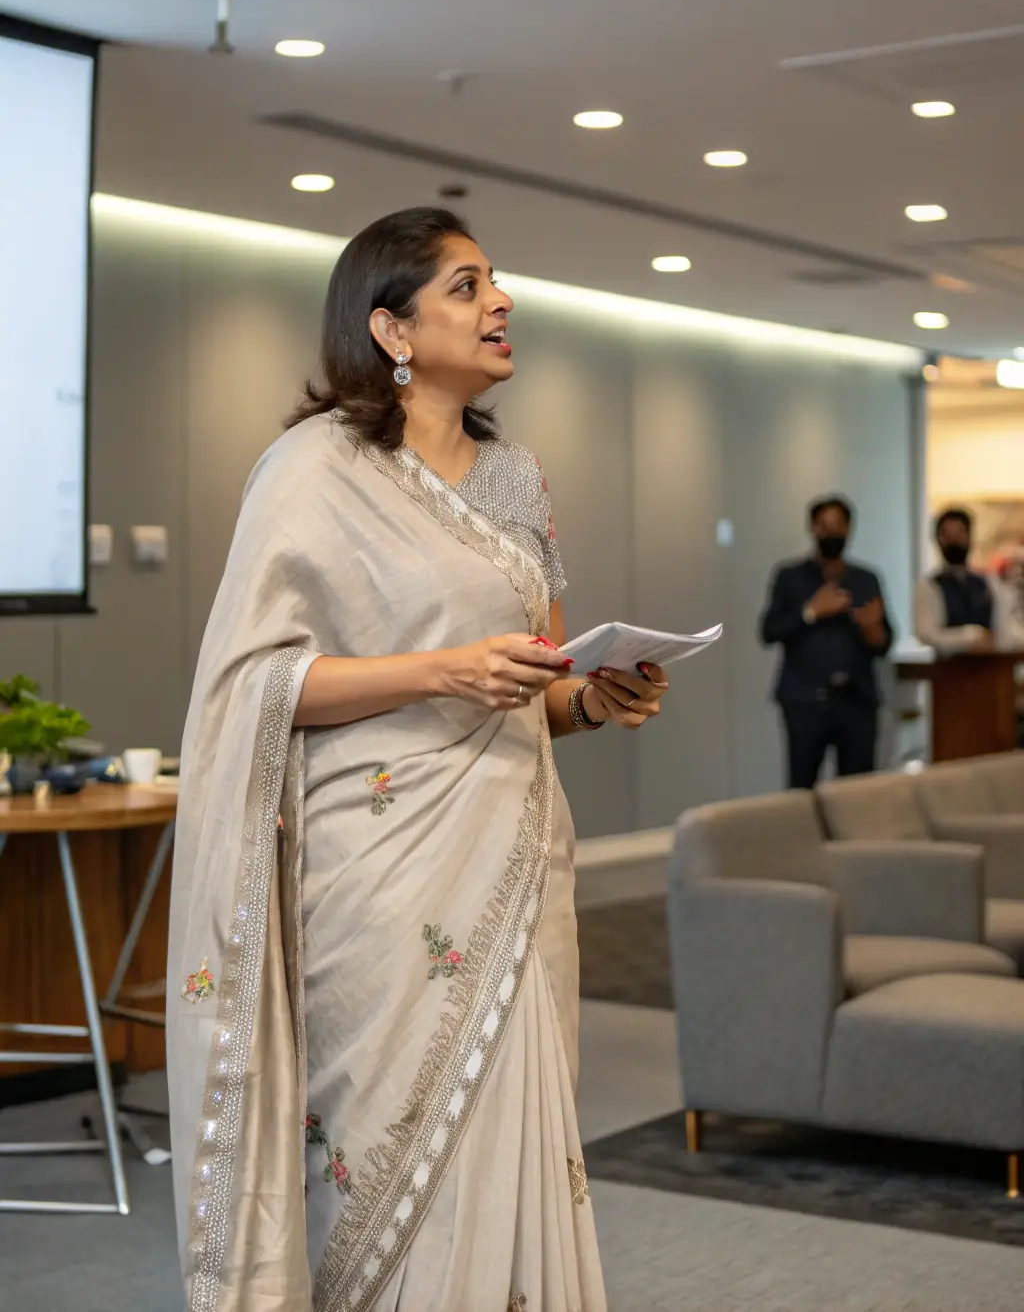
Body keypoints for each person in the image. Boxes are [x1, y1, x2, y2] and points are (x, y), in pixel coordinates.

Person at [167, 207, 669, 1312]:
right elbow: (254, 684)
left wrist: (593, 696)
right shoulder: (313, 468)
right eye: (465, 286)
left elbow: (533, 683)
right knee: (389, 1153)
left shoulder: (515, 478)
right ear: (389, 327)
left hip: (515, 856)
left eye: (496, 283)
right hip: (381, 881)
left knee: (511, 1143)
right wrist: (438, 670)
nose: (501, 303)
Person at [759, 495, 893, 789]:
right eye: (823, 525)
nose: (831, 532)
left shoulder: (866, 579)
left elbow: (884, 643)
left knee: (857, 791)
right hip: (804, 701)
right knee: (801, 790)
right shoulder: (789, 576)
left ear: (849, 529)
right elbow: (768, 632)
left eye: (838, 526)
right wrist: (810, 611)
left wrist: (872, 628)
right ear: (812, 529)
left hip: (857, 700)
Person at [915, 508, 1024, 653]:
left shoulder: (989, 582)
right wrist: (970, 637)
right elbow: (927, 633)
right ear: (938, 539)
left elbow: (1005, 628)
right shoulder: (929, 586)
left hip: (991, 666)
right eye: (948, 534)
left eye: (960, 533)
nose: (954, 540)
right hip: (949, 668)